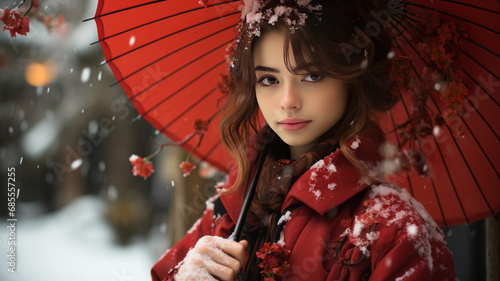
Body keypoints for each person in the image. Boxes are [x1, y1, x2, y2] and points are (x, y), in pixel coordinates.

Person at [151, 0, 456, 280]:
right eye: (269, 79)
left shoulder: (394, 231)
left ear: (352, 76)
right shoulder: (229, 208)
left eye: (312, 76)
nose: (287, 101)